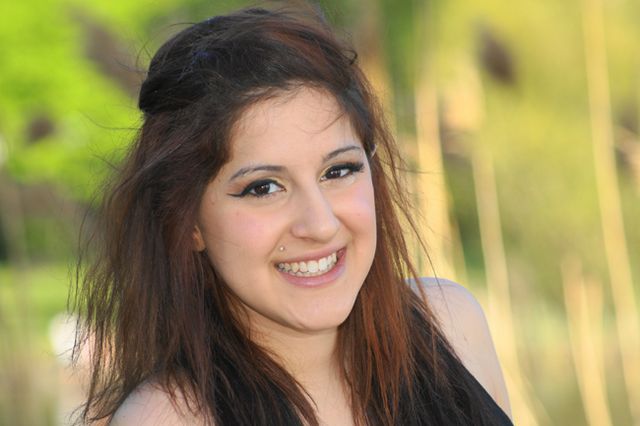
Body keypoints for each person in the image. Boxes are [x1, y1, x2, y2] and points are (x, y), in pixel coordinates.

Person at [73, 4, 512, 425]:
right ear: (188, 222)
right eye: (264, 188)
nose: (320, 225)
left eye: (338, 171)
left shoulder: (452, 327)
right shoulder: (167, 419)